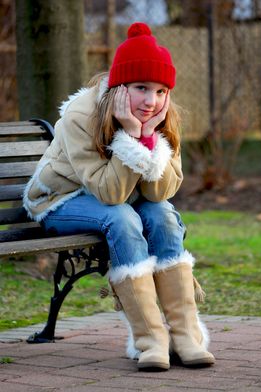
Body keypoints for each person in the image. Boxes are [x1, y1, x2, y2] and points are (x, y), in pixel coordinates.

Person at [23, 22, 215, 371]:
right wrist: (129, 136)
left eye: (159, 91)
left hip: (118, 199)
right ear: (119, 86)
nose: (150, 101)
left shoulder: (162, 117)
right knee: (122, 217)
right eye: (141, 88)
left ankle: (186, 335)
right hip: (60, 199)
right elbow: (110, 194)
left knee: (163, 216)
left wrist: (148, 138)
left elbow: (160, 193)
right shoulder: (81, 116)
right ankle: (150, 340)